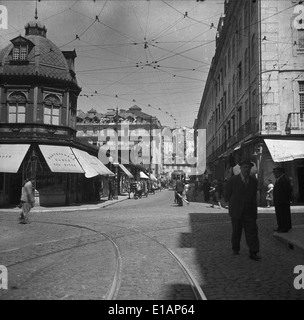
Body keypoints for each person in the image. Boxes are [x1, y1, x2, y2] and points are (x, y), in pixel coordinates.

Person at [225, 159, 261, 261]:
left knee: (252, 231)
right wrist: (232, 204)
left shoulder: (253, 181)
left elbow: (254, 196)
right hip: (237, 211)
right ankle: (235, 248)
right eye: (245, 167)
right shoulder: (233, 180)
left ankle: (253, 252)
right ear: (241, 168)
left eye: (248, 168)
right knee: (236, 231)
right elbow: (227, 194)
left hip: (250, 211)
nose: (247, 169)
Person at [273, 167, 293, 233]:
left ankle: (285, 228)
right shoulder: (278, 179)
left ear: (280, 173)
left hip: (283, 201)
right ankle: (280, 227)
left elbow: (288, 190)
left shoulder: (284, 180)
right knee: (279, 215)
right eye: (274, 172)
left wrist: (286, 199)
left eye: (276, 172)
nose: (275, 174)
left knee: (284, 215)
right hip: (278, 201)